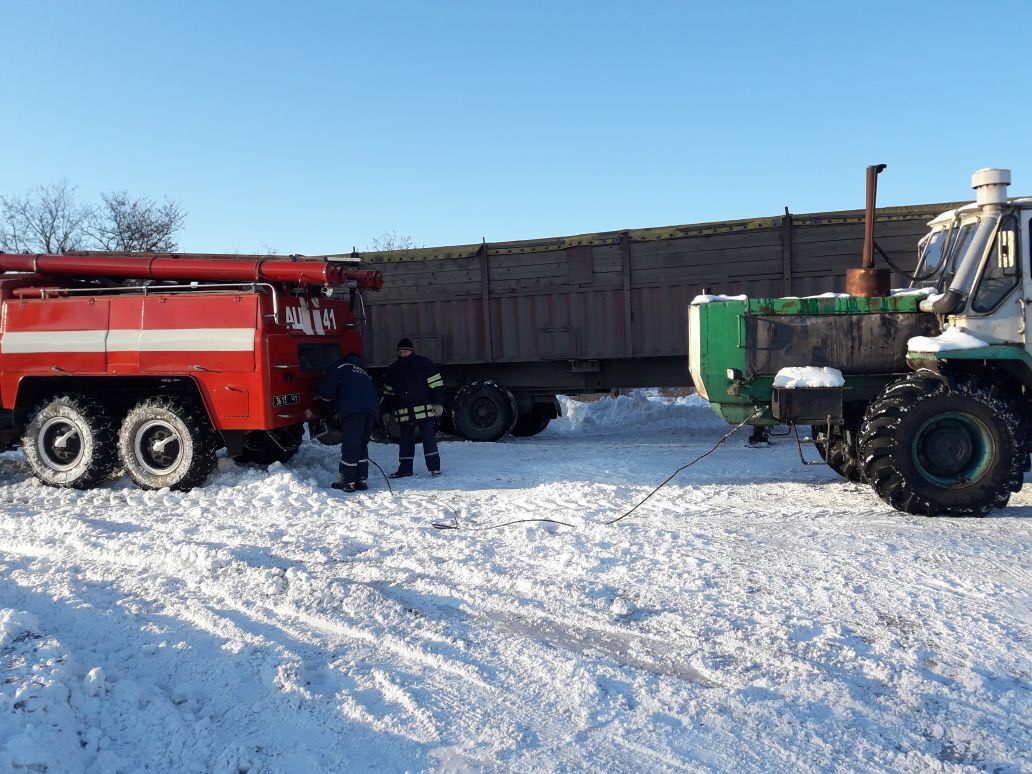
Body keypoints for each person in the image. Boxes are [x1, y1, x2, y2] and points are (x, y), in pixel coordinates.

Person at [382, 338, 445, 478]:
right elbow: (388, 393)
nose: (402, 354)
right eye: (400, 352)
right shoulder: (393, 369)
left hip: (425, 412)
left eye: (405, 352)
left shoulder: (424, 364)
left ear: (411, 351)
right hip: (404, 414)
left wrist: (438, 403)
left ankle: (434, 468)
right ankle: (405, 469)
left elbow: (437, 385)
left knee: (428, 440)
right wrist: (385, 411)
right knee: (405, 442)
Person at [317, 352, 379, 492]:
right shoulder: (362, 371)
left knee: (351, 445)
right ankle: (361, 480)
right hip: (371, 410)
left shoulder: (340, 367)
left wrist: (325, 408)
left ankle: (347, 482)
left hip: (353, 410)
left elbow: (326, 392)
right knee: (361, 444)